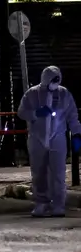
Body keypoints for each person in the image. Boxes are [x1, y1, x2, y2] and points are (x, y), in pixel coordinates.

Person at [17, 65, 81, 217]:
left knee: (58, 173)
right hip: (37, 138)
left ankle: (58, 204)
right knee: (39, 173)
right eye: (52, 80)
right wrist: (35, 113)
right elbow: (21, 112)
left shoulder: (64, 94)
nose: (55, 83)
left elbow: (72, 115)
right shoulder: (32, 94)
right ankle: (41, 203)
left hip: (57, 138)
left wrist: (77, 133)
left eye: (57, 80)